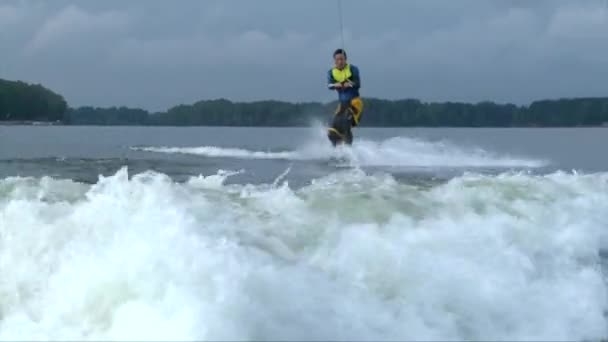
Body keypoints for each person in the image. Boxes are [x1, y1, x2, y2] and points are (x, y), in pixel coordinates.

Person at [327, 48, 363, 146]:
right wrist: (336, 85)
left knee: (346, 122)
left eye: (342, 59)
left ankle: (349, 151)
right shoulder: (331, 72)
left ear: (345, 59)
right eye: (337, 59)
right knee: (332, 129)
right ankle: (336, 151)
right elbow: (329, 85)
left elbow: (358, 83)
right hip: (342, 105)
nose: (340, 61)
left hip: (355, 103)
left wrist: (349, 84)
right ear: (334, 61)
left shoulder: (353, 69)